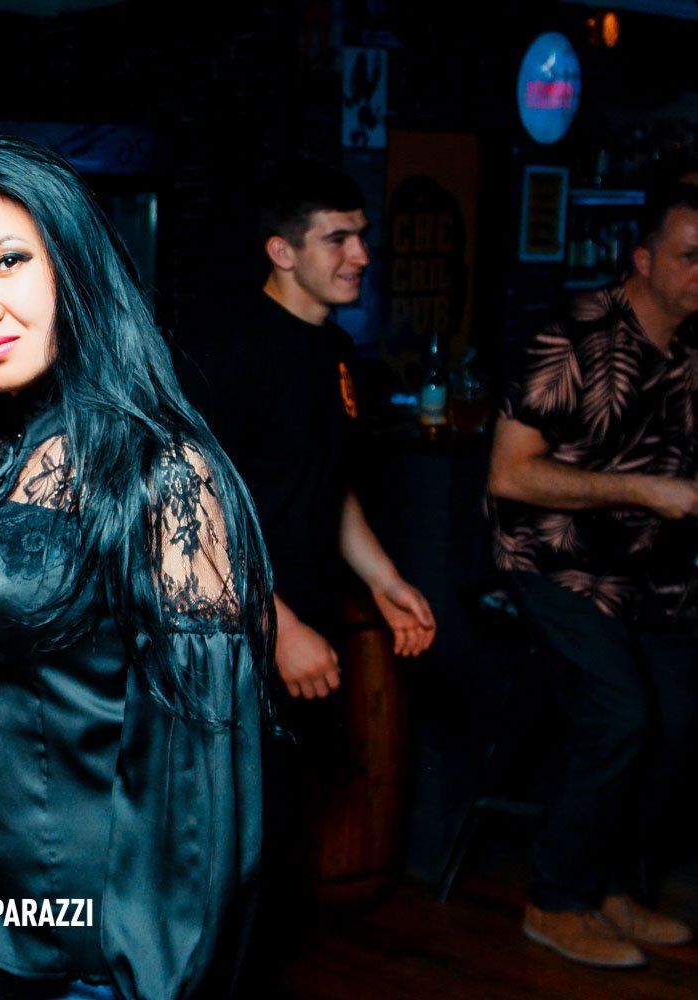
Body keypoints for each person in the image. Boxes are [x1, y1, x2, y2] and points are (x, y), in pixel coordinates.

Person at [0, 135, 275, 1000]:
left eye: (8, 261)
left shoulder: (163, 474)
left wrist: (149, 981)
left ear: (72, 263)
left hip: (92, 961)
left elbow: (198, 796)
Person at [178, 160, 436, 995]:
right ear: (282, 251)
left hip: (309, 620)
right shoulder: (230, 352)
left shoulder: (333, 349)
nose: (361, 254)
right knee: (233, 845)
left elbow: (327, 484)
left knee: (287, 834)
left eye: (361, 236)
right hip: (239, 632)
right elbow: (194, 510)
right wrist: (278, 625)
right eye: (339, 238)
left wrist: (384, 578)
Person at [487, 178, 698, 969]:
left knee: (678, 725)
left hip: (653, 570)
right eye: (690, 256)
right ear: (642, 260)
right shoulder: (576, 336)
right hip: (557, 561)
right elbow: (510, 474)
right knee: (620, 718)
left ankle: (608, 885)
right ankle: (555, 900)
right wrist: (644, 490)